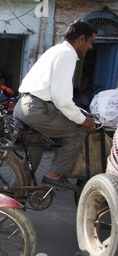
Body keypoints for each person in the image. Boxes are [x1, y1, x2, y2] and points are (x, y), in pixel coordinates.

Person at [14, 20, 97, 190]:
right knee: (77, 132)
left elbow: (58, 97)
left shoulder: (56, 49)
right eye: (90, 42)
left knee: (34, 153)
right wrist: (83, 120)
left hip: (24, 106)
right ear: (81, 39)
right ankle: (54, 174)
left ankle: (18, 192)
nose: (90, 47)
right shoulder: (68, 54)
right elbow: (62, 99)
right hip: (37, 109)